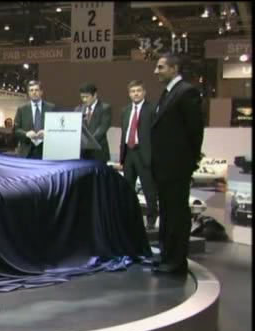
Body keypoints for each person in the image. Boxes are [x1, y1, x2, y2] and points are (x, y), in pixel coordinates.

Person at [150, 53, 204, 274]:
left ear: (174, 69)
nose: (156, 71)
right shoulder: (168, 93)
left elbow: (195, 130)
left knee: (177, 215)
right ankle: (166, 255)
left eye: (160, 67)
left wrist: (189, 161)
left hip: (177, 167)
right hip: (164, 167)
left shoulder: (186, 92)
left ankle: (176, 261)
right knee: (167, 213)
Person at [120, 80, 158, 230]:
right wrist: (122, 155)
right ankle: (129, 218)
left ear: (144, 92)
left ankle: (151, 219)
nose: (135, 93)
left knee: (149, 189)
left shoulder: (152, 109)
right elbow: (124, 132)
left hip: (144, 154)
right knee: (128, 190)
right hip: (128, 153)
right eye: (133, 91)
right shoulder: (125, 110)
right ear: (129, 94)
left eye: (138, 91)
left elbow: (156, 134)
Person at [13, 80, 56, 159]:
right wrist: (26, 134)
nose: (34, 92)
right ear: (28, 93)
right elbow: (16, 130)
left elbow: (56, 128)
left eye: (36, 90)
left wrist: (47, 132)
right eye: (31, 90)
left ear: (41, 92)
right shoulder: (22, 109)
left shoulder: (51, 108)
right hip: (27, 151)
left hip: (46, 149)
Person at [75, 83, 112, 162]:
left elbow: (102, 128)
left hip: (98, 153)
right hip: (82, 153)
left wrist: (88, 143)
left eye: (87, 97)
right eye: (82, 97)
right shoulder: (78, 109)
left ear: (95, 95)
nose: (84, 100)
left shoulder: (105, 108)